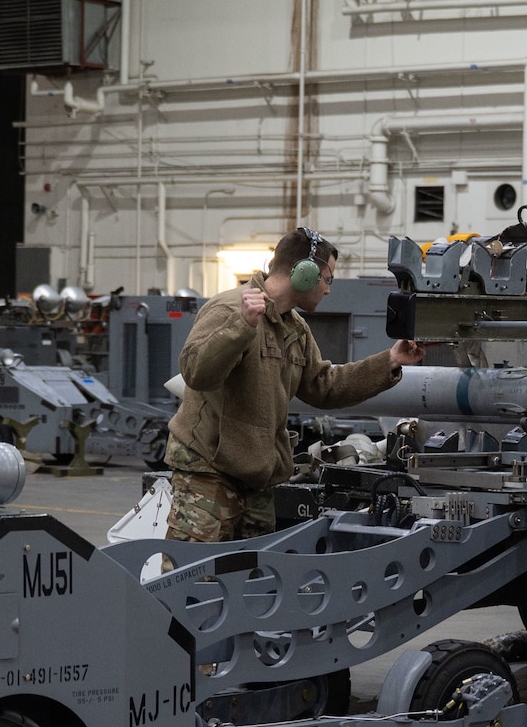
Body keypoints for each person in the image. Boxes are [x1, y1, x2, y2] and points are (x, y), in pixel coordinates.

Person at [165, 228, 426, 542]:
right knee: (194, 569)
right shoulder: (230, 309)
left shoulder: (295, 328)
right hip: (208, 473)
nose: (328, 290)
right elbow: (196, 373)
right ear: (304, 273)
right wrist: (241, 327)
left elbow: (323, 386)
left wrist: (391, 360)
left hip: (257, 480)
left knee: (251, 571)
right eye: (327, 279)